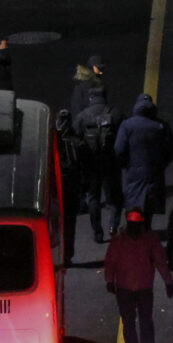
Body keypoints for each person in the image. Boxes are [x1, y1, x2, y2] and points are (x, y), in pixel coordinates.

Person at [104, 208, 173, 343]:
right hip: (142, 288)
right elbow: (160, 262)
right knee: (143, 321)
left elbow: (111, 262)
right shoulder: (150, 239)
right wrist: (168, 281)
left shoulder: (120, 240)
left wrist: (110, 280)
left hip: (128, 288)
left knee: (131, 322)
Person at [114, 94, 173, 229]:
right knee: (149, 209)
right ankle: (146, 233)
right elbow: (171, 150)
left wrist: (127, 165)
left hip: (133, 175)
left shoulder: (127, 125)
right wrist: (161, 165)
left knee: (133, 207)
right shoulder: (161, 126)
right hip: (154, 175)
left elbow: (119, 149)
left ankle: (133, 234)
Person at [73, 86, 125, 242]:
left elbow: (75, 140)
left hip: (91, 165)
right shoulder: (115, 114)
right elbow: (124, 136)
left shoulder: (82, 116)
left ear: (91, 98)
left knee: (93, 198)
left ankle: (97, 231)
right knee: (113, 198)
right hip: (111, 163)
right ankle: (113, 227)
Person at [55, 109, 87, 264]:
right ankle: (67, 254)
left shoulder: (52, 140)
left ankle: (54, 253)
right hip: (71, 187)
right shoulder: (77, 141)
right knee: (69, 223)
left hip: (55, 187)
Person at [70, 54, 105, 119]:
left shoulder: (100, 86)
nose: (101, 72)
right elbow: (76, 111)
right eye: (98, 69)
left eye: (102, 69)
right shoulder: (81, 88)